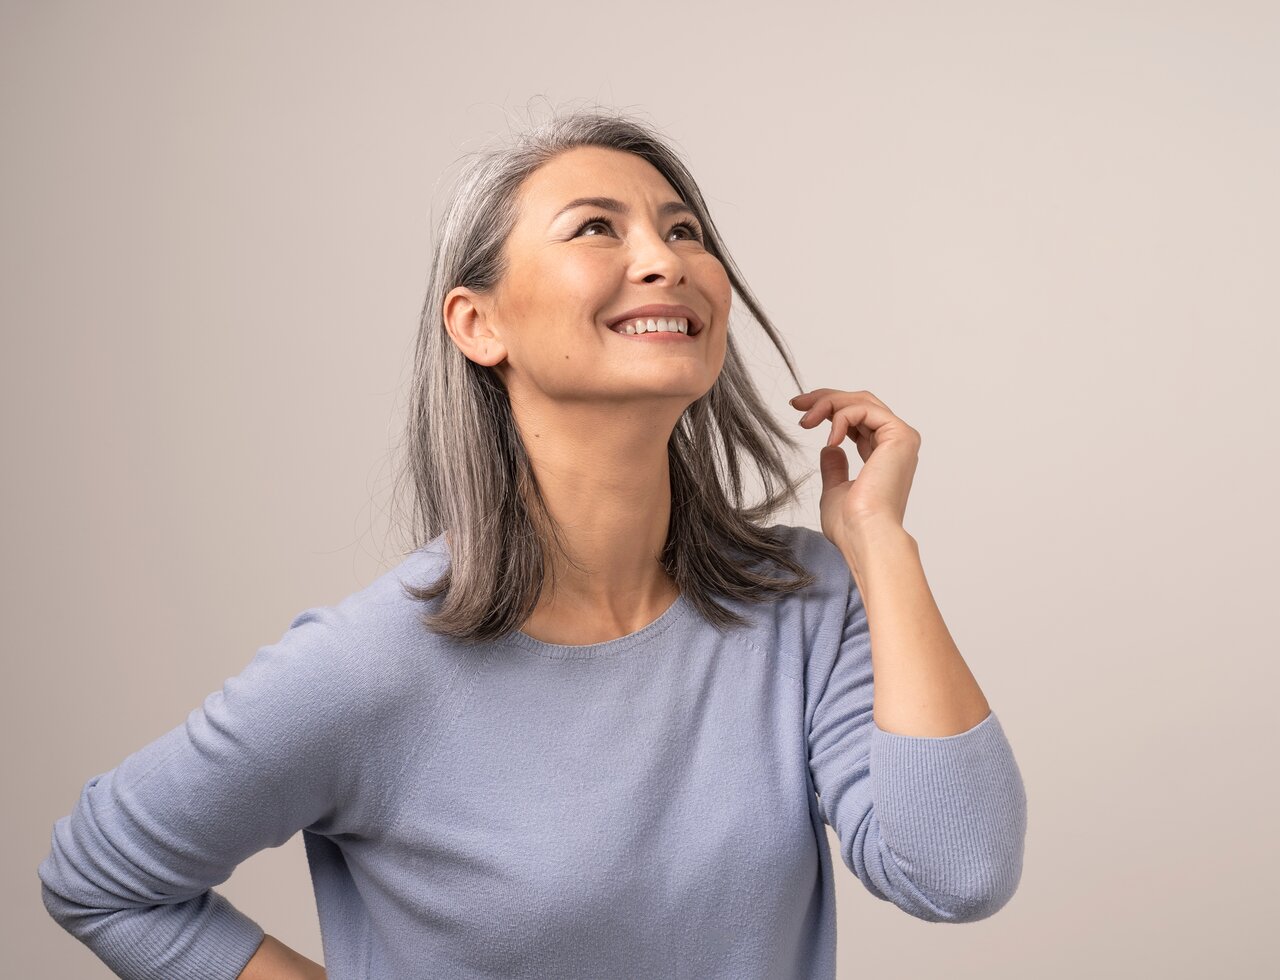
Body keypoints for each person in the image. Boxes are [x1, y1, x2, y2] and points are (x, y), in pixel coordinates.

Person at [38, 107, 1027, 980]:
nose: (664, 257)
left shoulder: (803, 595)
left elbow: (957, 869)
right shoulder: (368, 664)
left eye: (683, 230)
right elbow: (99, 878)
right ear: (477, 324)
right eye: (597, 227)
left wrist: (877, 543)